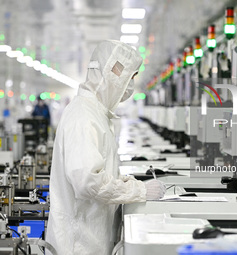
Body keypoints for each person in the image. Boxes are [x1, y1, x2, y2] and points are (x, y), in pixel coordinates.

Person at [46, 40, 166, 255]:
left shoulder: (96, 113)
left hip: (91, 240)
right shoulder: (83, 116)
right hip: (79, 246)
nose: (130, 86)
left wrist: (126, 182)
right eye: (130, 78)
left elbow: (98, 171)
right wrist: (139, 191)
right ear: (114, 75)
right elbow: (87, 182)